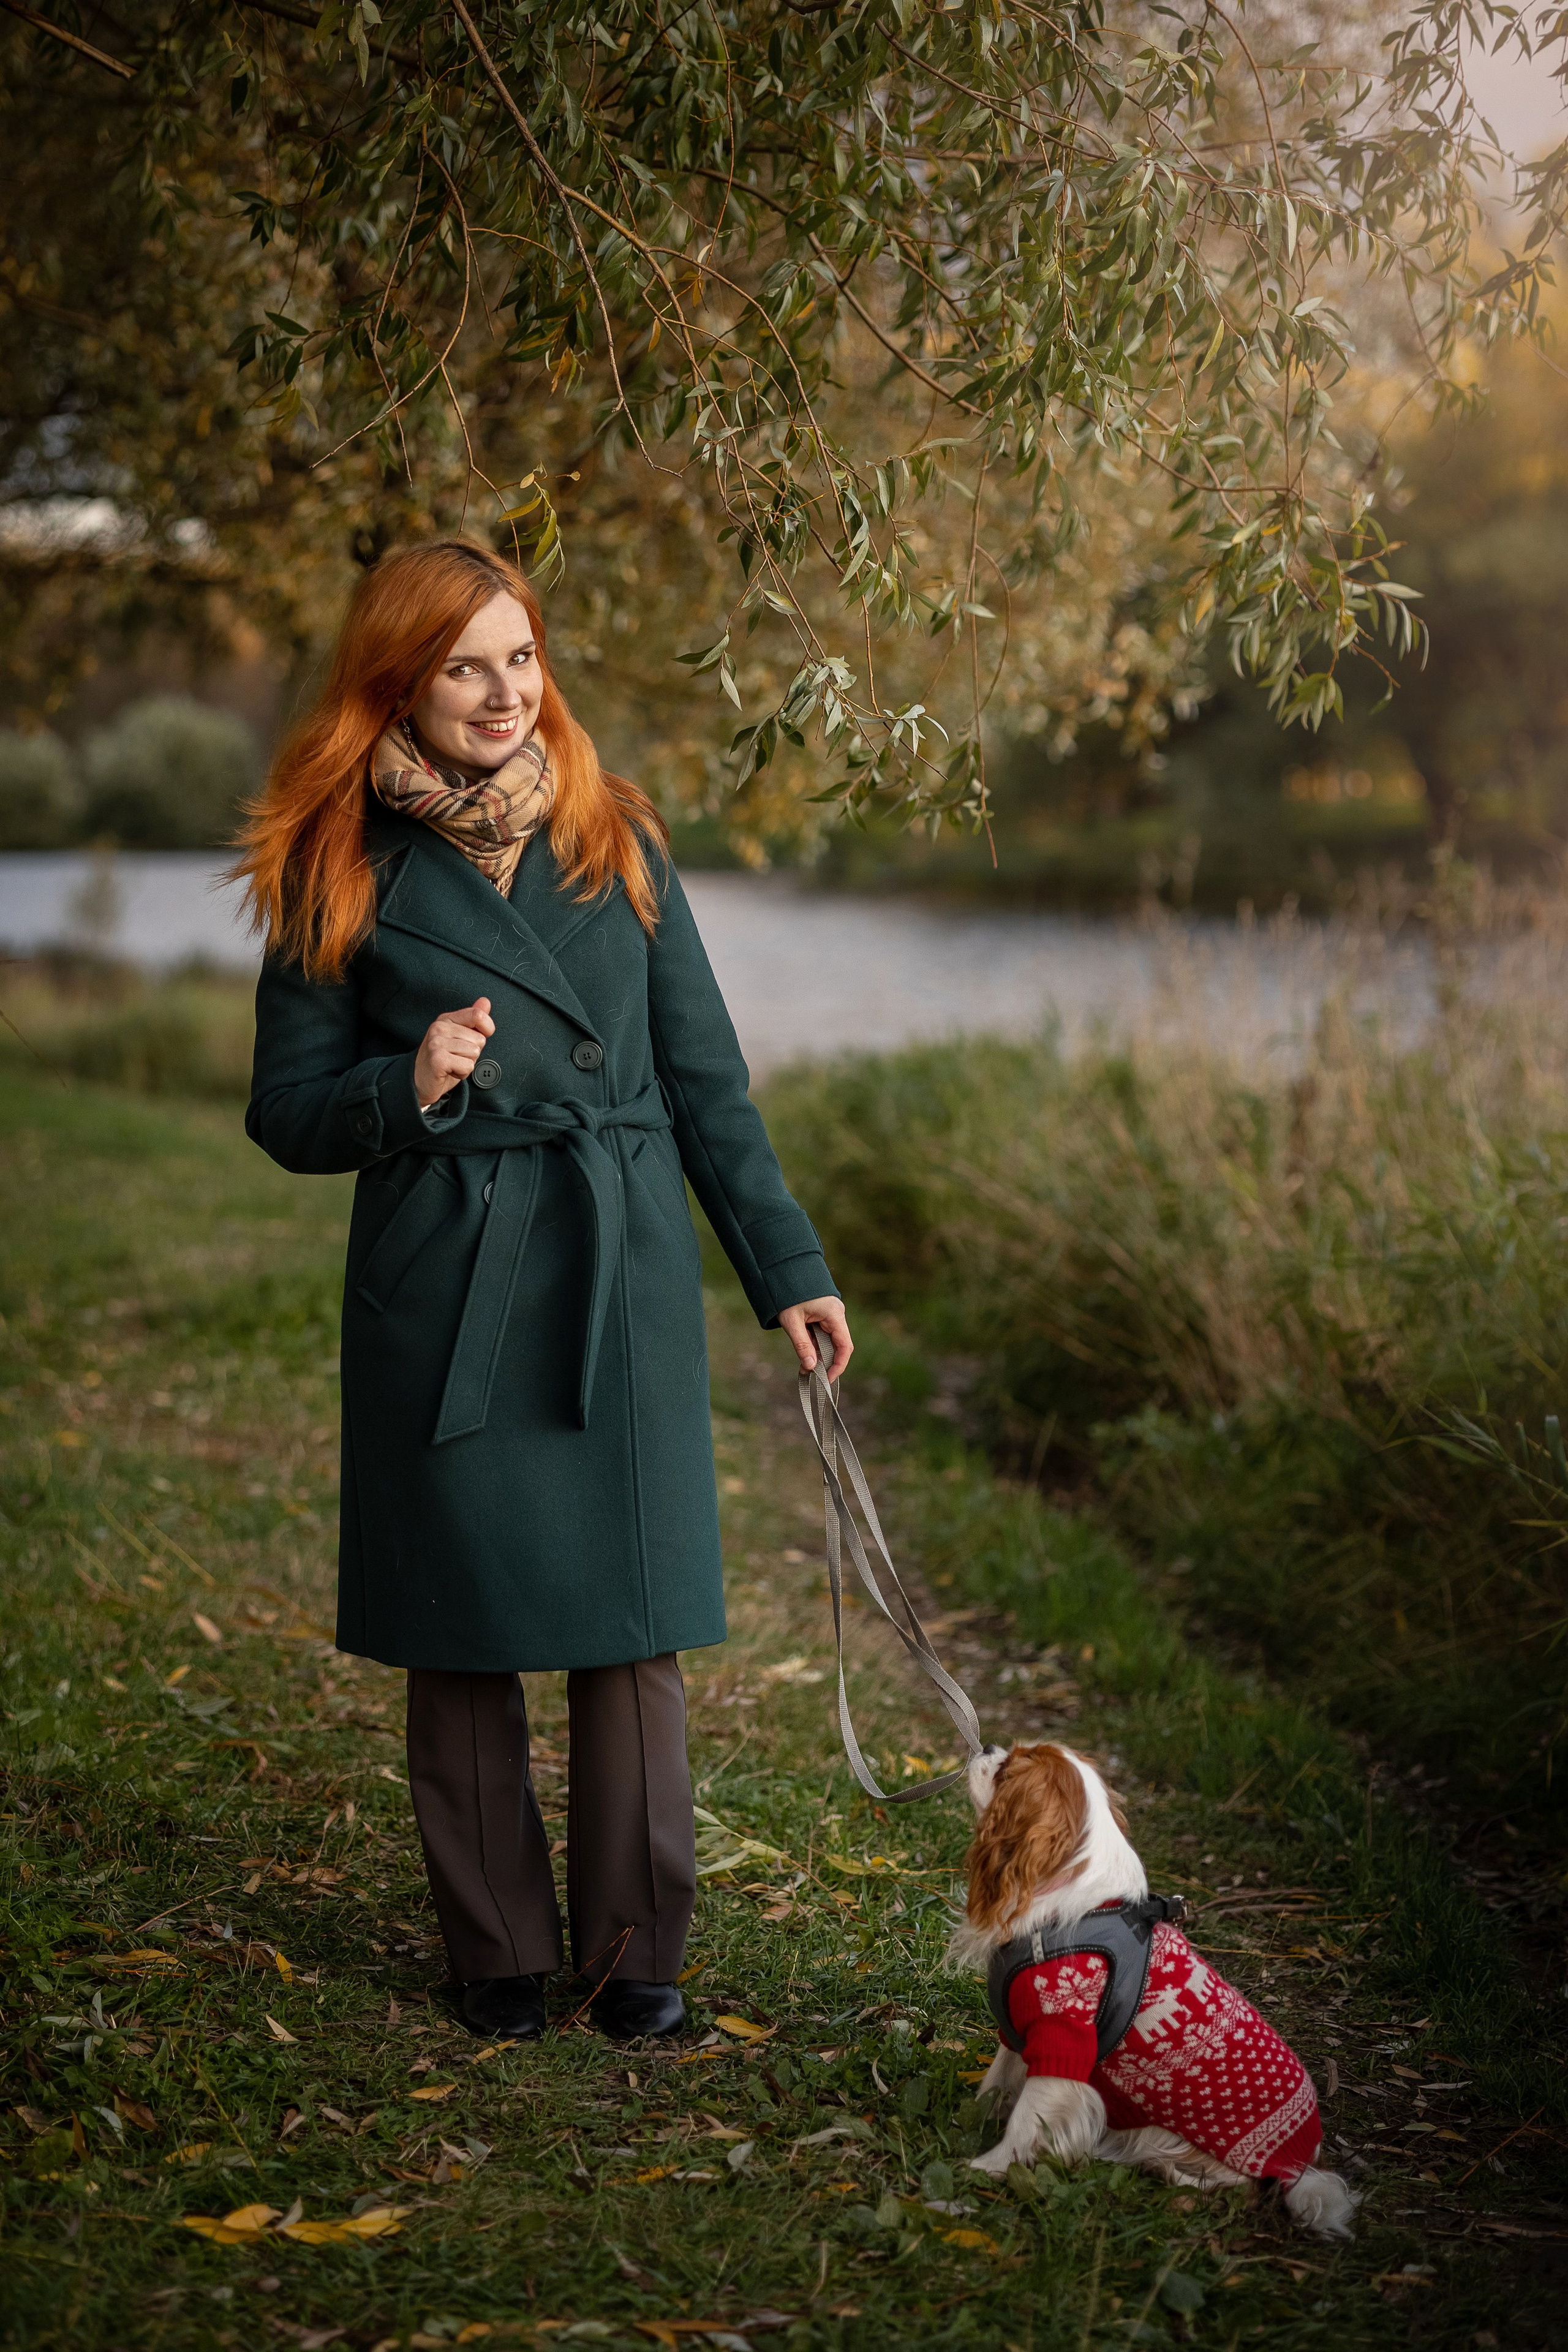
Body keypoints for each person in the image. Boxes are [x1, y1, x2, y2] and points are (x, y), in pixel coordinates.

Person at [236, 538, 852, 2044]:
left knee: (629, 1620)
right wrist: (406, 1083)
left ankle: (637, 1955)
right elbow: (286, 1110)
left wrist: (787, 1268)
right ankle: (498, 1949)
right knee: (463, 1622)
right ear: (397, 680)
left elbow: (705, 1084)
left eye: (520, 657)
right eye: (463, 665)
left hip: (612, 1258)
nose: (503, 692)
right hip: (446, 1268)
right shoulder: (334, 860)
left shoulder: (615, 838)